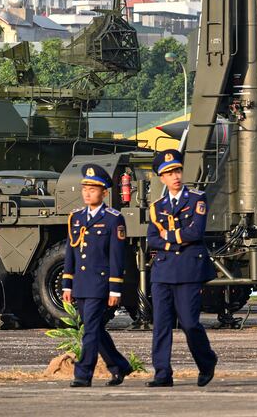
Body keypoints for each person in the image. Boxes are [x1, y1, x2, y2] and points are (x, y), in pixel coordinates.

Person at [145, 149, 218, 387]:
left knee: (189, 322)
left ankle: (206, 361)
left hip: (188, 269)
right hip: (163, 270)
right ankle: (162, 373)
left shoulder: (197, 198)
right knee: (161, 325)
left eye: (177, 170)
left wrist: (169, 236)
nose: (175, 176)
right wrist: (175, 239)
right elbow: (152, 239)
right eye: (168, 173)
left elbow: (196, 232)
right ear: (161, 178)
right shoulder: (157, 206)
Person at [62, 163, 130, 388]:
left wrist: (115, 288)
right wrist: (67, 284)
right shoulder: (76, 218)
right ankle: (119, 366)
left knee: (90, 329)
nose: (87, 192)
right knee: (95, 330)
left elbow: (116, 256)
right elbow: (71, 253)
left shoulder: (113, 219)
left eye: (93, 189)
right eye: (85, 188)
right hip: (81, 284)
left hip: (100, 285)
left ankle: (83, 374)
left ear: (104, 193)